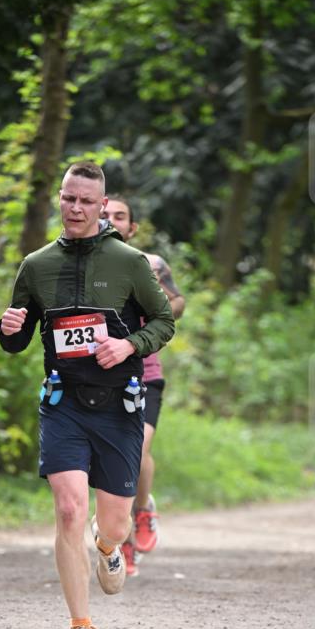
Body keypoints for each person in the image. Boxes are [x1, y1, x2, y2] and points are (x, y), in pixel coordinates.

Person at [0, 162, 175, 629]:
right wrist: (8, 328)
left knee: (111, 523)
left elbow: (163, 322)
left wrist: (128, 345)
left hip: (118, 405)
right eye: (68, 199)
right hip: (64, 402)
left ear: (102, 206)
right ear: (60, 198)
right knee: (69, 507)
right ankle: (80, 626)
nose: (75, 208)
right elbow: (21, 336)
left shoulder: (130, 261)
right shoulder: (36, 265)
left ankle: (109, 545)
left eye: (86, 202)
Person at [102, 197, 185, 577]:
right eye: (105, 215)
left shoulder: (151, 264)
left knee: (138, 448)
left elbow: (177, 304)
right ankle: (122, 540)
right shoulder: (79, 265)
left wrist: (153, 294)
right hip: (97, 375)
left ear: (132, 228)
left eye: (119, 216)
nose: (111, 220)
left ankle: (141, 510)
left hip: (144, 373)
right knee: (106, 460)